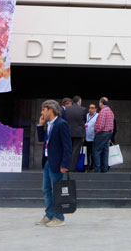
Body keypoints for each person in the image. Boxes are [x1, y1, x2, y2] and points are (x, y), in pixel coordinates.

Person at [35, 99, 71, 227]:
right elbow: (42, 140)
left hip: (57, 163)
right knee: (47, 189)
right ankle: (49, 215)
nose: (42, 112)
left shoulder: (61, 124)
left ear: (51, 110)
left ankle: (59, 217)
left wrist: (65, 164)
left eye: (44, 110)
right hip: (48, 161)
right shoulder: (49, 124)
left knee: (57, 190)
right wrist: (40, 125)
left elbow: (67, 146)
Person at [63, 96, 87, 171]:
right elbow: (85, 120)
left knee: (68, 150)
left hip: (68, 132)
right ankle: (72, 168)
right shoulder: (83, 109)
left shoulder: (67, 109)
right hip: (79, 133)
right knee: (76, 151)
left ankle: (66, 166)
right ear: (79, 102)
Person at [92, 97, 115, 172]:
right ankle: (104, 168)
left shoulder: (103, 111)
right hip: (109, 133)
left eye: (99, 103)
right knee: (105, 150)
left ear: (101, 103)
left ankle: (97, 168)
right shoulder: (110, 111)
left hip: (102, 133)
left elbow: (100, 125)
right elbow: (113, 124)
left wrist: (96, 130)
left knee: (96, 150)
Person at [83, 103, 99, 171]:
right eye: (90, 108)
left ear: (95, 109)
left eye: (92, 108)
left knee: (93, 153)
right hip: (86, 138)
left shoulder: (97, 116)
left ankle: (93, 166)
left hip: (94, 138)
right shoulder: (86, 116)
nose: (91, 109)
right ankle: (87, 165)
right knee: (87, 153)